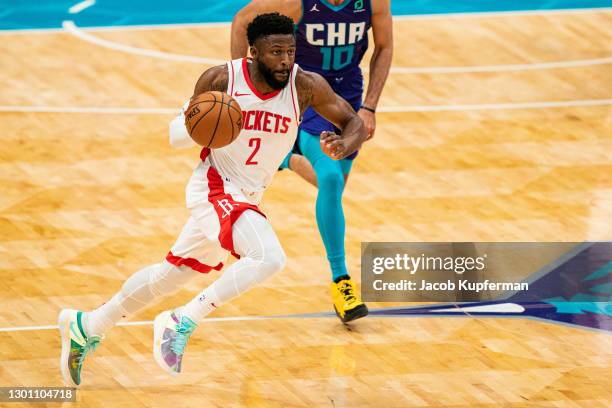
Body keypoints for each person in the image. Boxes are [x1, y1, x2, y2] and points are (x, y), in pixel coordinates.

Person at [58, 12, 367, 387]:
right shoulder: (222, 79)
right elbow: (175, 135)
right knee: (269, 257)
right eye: (275, 52)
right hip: (216, 188)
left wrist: (345, 143)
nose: (285, 60)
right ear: (253, 52)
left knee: (169, 275)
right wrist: (207, 122)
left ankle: (88, 325)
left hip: (248, 193)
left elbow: (354, 122)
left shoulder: (305, 85)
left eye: (290, 51)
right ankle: (182, 320)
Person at [232, 0, 393, 323]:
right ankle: (341, 281)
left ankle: (287, 158)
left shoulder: (374, 2)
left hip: (348, 101)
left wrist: (370, 108)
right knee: (331, 179)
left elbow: (384, 47)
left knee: (333, 184)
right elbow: (241, 23)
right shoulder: (296, 3)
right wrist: (243, 88)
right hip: (305, 99)